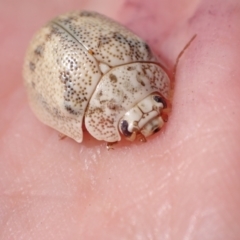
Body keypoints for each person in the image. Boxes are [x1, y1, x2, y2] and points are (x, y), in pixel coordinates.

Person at [0, 0, 239, 239]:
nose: (153, 125)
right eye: (128, 128)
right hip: (53, 45)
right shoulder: (88, 102)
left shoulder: (126, 81)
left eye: (159, 103)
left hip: (73, 28)